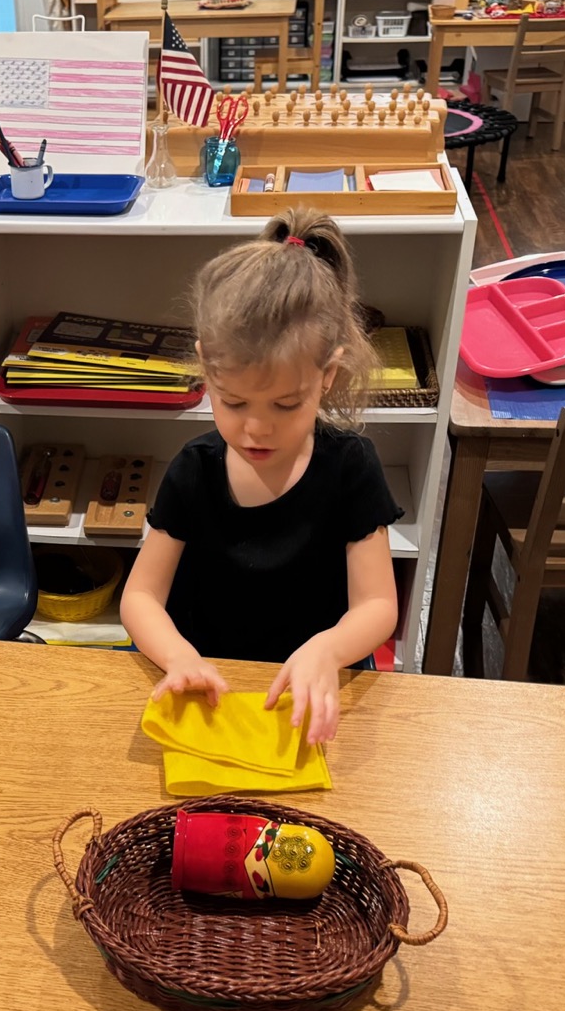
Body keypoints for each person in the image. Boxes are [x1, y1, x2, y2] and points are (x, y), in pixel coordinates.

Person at [120, 209, 402, 746]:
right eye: (233, 402)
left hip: (305, 700)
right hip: (211, 693)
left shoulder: (350, 466)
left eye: (285, 405)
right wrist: (179, 657)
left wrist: (328, 649)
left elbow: (377, 605)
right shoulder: (195, 468)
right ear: (207, 369)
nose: (255, 429)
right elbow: (141, 596)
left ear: (328, 376)